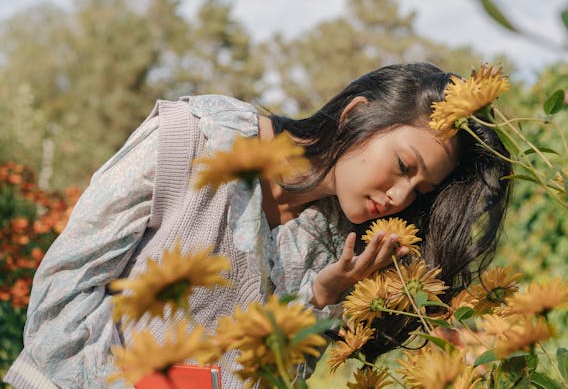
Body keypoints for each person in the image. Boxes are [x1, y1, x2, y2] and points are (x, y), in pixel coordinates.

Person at [4, 62, 512, 389]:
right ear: (357, 114)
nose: (400, 196)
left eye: (420, 192)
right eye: (403, 165)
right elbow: (60, 296)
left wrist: (319, 302)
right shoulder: (194, 140)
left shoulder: (336, 251)